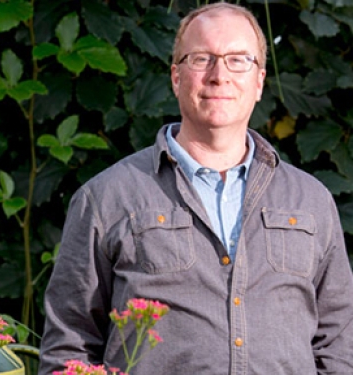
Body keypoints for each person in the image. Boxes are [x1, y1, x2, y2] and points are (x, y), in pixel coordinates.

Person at [38, 3, 353, 375]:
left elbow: (338, 344)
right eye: (202, 58)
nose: (219, 75)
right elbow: (70, 345)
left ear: (259, 82)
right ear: (175, 77)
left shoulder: (310, 201)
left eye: (238, 60)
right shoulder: (107, 197)